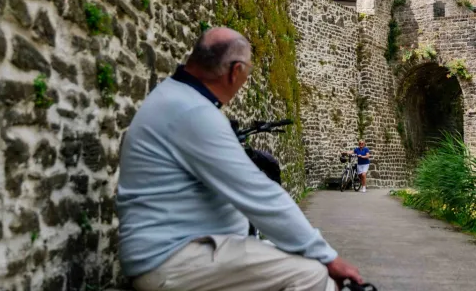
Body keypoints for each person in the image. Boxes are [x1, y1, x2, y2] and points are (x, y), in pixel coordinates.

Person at [117, 28, 362, 291]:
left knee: (316, 271)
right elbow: (257, 194)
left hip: (181, 248)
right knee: (311, 273)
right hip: (170, 259)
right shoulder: (192, 113)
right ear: (235, 71)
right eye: (248, 72)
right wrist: (329, 257)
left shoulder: (176, 97)